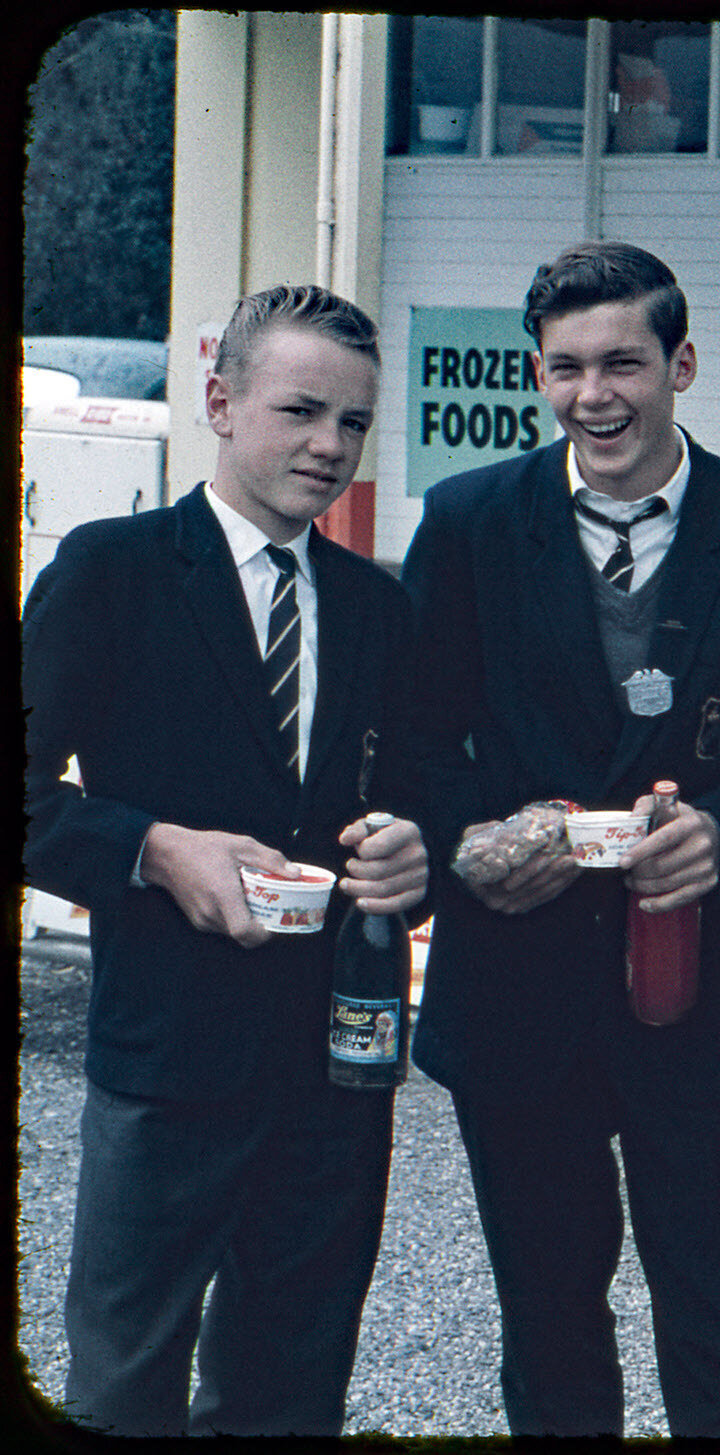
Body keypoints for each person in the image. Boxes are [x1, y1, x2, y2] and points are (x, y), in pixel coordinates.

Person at [398, 241, 720, 1437]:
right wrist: (475, 838)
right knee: (546, 1309)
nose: (593, 394)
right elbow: (417, 745)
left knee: (709, 1302)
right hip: (519, 987)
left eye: (623, 363)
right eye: (565, 368)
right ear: (537, 375)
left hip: (696, 996)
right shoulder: (468, 521)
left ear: (679, 363)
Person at [22, 284, 429, 1436]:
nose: (328, 445)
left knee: (290, 1394)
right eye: (301, 410)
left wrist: (414, 853)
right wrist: (152, 849)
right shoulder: (114, 571)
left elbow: (416, 799)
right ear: (219, 400)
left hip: (335, 1071)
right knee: (125, 1384)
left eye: (352, 423)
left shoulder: (372, 607)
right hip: (166, 1063)